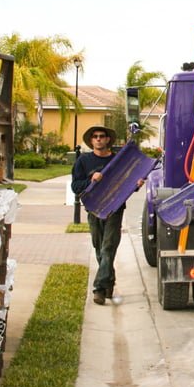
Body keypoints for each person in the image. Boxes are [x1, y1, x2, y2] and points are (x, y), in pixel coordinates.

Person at [71, 125, 144, 305]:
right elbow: (75, 186)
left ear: (107, 139)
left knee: (108, 246)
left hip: (114, 208)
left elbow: (127, 183)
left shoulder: (116, 161)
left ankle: (99, 289)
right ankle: (109, 281)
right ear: (91, 140)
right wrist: (91, 180)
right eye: (95, 136)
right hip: (94, 208)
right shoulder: (83, 161)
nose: (98, 139)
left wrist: (137, 184)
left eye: (102, 136)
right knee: (98, 246)